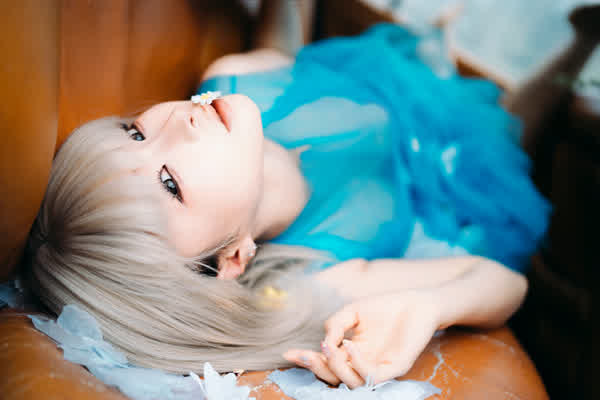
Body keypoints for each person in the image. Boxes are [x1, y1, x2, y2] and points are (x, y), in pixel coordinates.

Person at [22, 0, 551, 390]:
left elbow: (282, 52)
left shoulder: (233, 79)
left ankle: (444, 43)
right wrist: (429, 307)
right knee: (509, 138)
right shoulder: (315, 272)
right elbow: (507, 283)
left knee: (447, 83)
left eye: (134, 132)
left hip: (403, 99)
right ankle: (569, 60)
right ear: (232, 258)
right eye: (169, 183)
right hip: (447, 197)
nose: (177, 120)